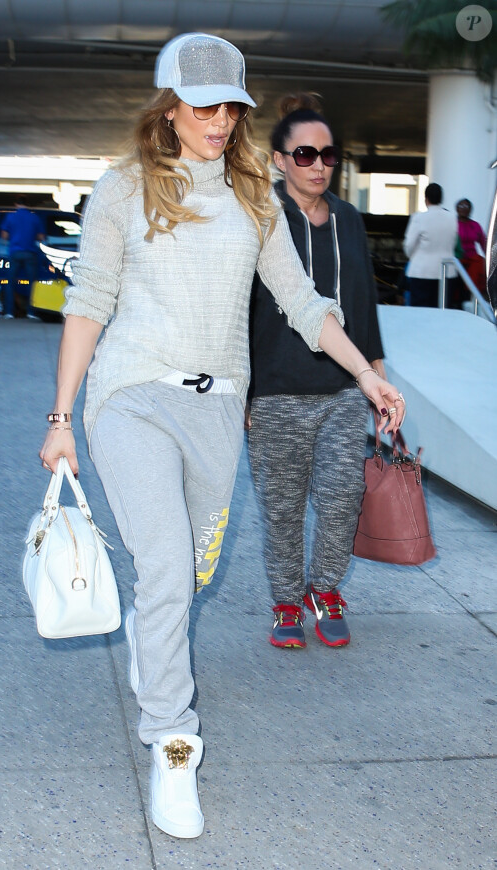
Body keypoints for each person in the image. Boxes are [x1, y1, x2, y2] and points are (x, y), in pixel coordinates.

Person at [39, 32, 405, 840]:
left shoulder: (253, 196)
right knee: (167, 562)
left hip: (216, 410)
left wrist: (368, 375)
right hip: (131, 398)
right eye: (204, 105)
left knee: (189, 570)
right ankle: (174, 741)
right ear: (167, 107)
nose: (219, 119)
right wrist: (62, 419)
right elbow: (90, 302)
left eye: (230, 106)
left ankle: (152, 630)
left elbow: (305, 303)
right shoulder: (124, 188)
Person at [247, 93, 386, 651]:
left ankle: (324, 588)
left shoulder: (348, 219)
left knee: (341, 497)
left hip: (341, 390)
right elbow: (240, 309)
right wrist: (242, 395)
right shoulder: (258, 216)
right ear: (279, 159)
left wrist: (375, 377)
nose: (318, 165)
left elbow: (363, 300)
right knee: (281, 510)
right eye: (304, 154)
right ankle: (285, 601)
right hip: (276, 391)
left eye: (329, 155)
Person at [403, 183, 458, 307]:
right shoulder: (452, 218)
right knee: (442, 310)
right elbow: (453, 242)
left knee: (420, 311)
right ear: (441, 199)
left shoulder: (419, 218)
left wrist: (413, 256)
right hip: (446, 272)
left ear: (426, 198)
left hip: (422, 270)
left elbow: (409, 246)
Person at [0, 194, 45, 318]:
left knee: (10, 283)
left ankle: (9, 312)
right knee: (32, 284)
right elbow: (41, 237)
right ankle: (31, 312)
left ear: (16, 204)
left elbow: (4, 236)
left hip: (14, 252)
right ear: (28, 204)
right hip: (30, 253)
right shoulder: (34, 217)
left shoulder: (10, 216)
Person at [456, 197, 487, 299]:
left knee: (481, 265)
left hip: (472, 260)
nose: (464, 208)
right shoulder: (453, 224)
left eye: (466, 206)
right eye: (461, 206)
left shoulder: (475, 225)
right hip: (457, 260)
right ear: (457, 208)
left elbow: (484, 244)